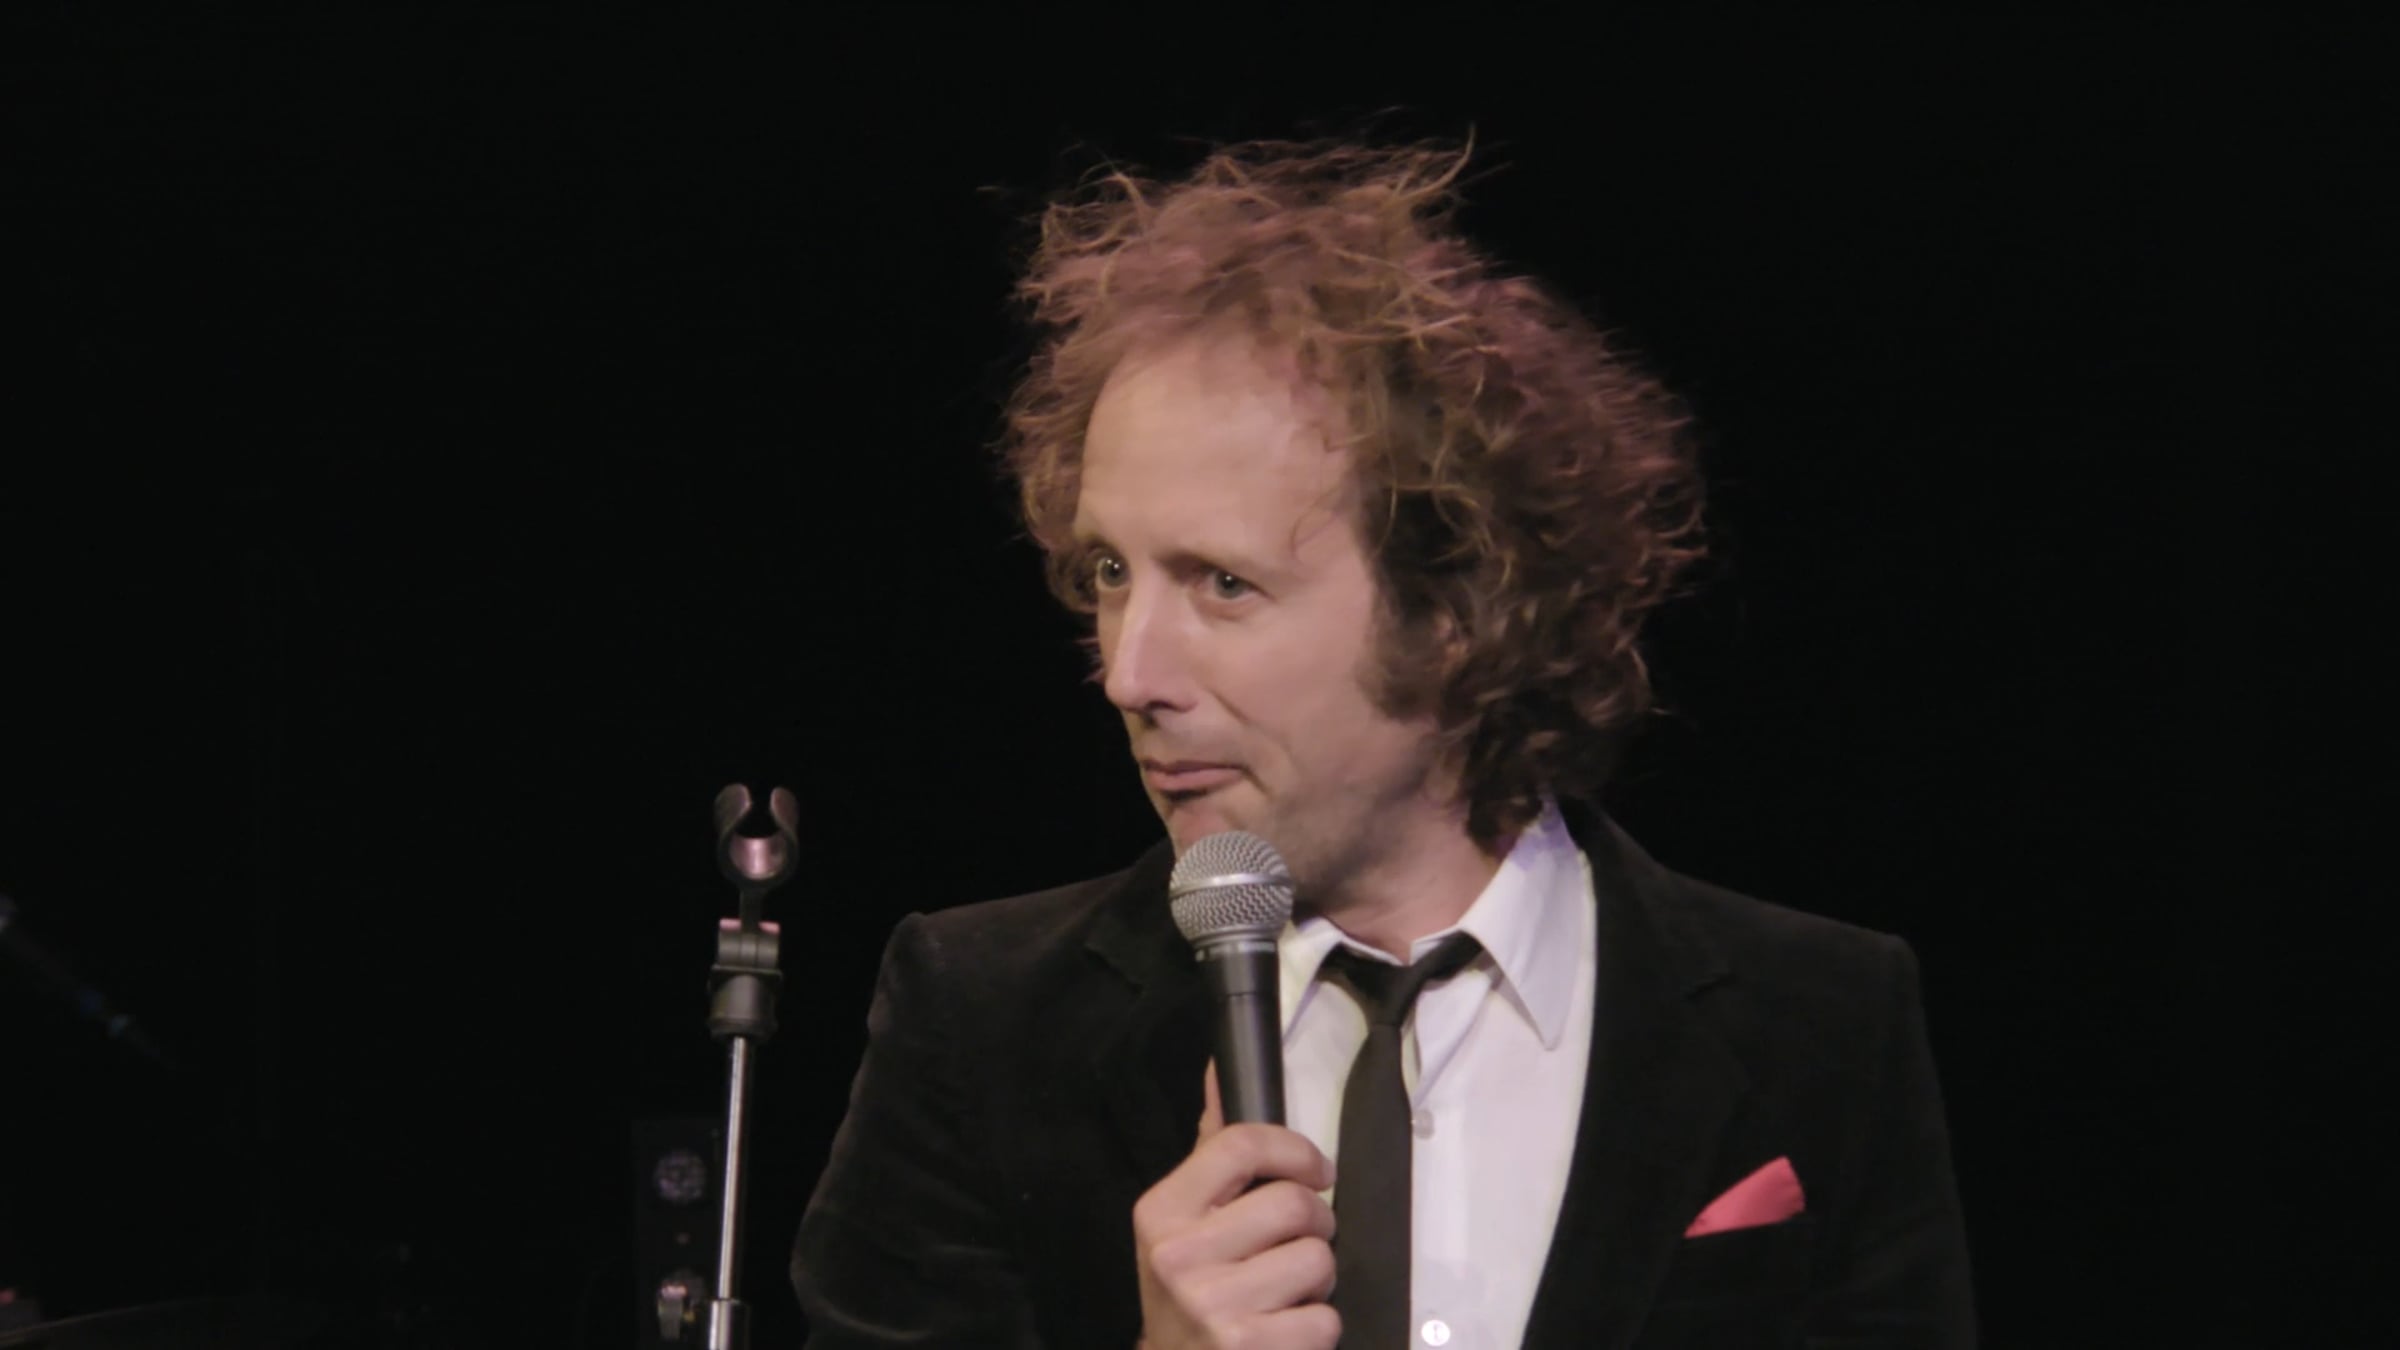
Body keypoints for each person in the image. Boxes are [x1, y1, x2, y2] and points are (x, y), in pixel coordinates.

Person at [790, 136, 1976, 1348]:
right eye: (1108, 572)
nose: (1129, 674)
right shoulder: (982, 1022)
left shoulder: (1819, 1025)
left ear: (1456, 609)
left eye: (1223, 584)